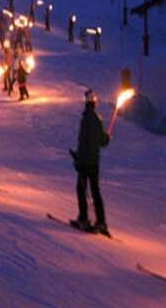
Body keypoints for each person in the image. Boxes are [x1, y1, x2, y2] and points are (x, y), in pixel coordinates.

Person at [70, 90, 110, 235]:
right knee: (95, 191)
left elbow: (83, 143)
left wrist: (78, 157)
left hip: (85, 162)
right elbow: (103, 142)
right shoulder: (97, 119)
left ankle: (84, 218)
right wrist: (107, 137)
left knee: (81, 189)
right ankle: (101, 221)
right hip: (94, 162)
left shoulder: (86, 120)